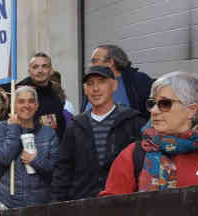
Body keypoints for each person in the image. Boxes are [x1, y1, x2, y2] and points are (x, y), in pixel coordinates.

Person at [101, 71, 198, 195]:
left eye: (164, 104)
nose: (154, 110)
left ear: (191, 110)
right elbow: (110, 211)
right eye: (152, 103)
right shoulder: (133, 156)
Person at [52, 66, 145, 201]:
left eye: (101, 82)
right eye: (90, 84)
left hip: (123, 204)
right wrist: (57, 206)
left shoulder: (133, 122)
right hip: (83, 205)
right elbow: (63, 170)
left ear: (114, 86)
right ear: (85, 90)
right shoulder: (75, 126)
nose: (95, 89)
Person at [0, 86, 59, 208]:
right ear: (14, 105)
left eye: (30, 101)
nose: (26, 105)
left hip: (40, 202)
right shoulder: (2, 128)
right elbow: (4, 157)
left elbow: (55, 171)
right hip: (9, 201)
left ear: (36, 105)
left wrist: (35, 161)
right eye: (21, 101)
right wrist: (14, 129)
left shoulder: (48, 133)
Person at [90, 44, 154, 118]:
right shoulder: (90, 83)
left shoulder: (138, 81)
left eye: (94, 61)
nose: (91, 65)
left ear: (110, 62)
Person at [17, 52, 67, 139]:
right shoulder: (18, 92)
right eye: (35, 67)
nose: (40, 70)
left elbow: (61, 125)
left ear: (51, 70)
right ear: (29, 71)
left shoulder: (57, 91)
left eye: (44, 66)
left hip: (54, 148)